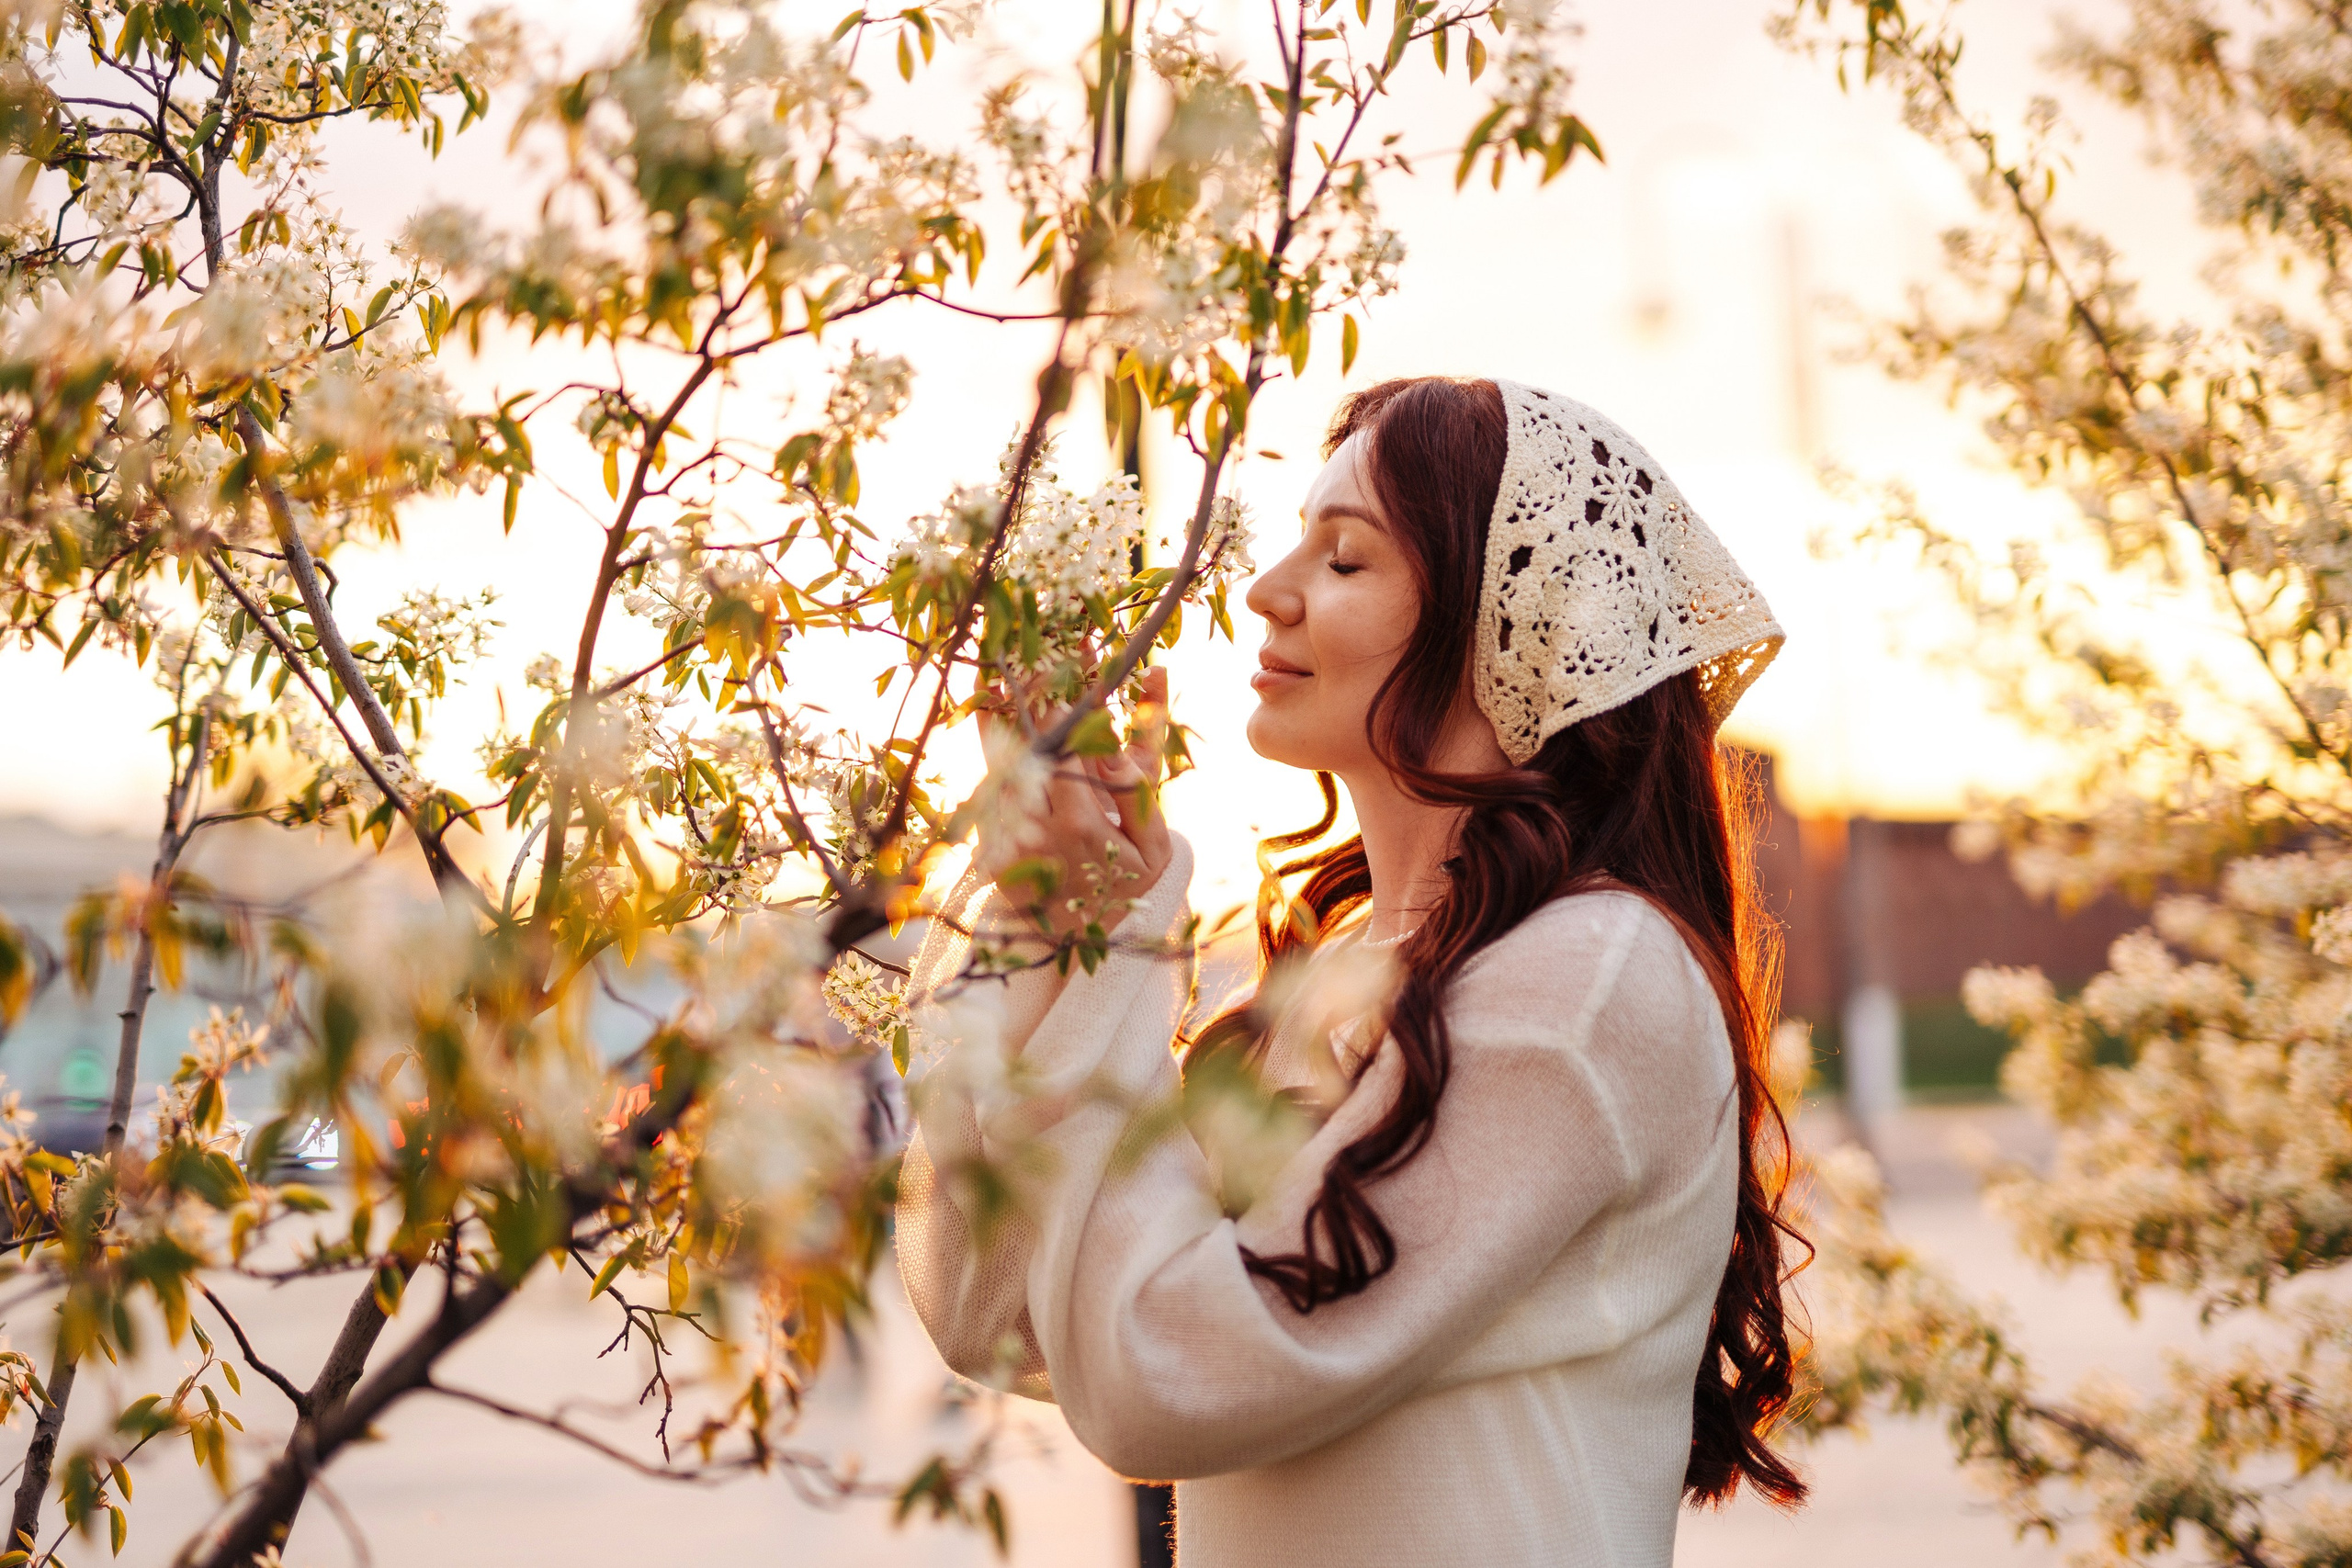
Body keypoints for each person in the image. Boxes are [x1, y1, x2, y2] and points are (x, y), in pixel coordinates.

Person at [896, 376, 1806, 1566]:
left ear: (1513, 619)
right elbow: (1005, 1310)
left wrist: (1115, 945)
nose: (1267, 593)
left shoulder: (1586, 979)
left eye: (1344, 559)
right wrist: (1061, 907)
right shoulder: (1336, 975)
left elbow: (1164, 1375)